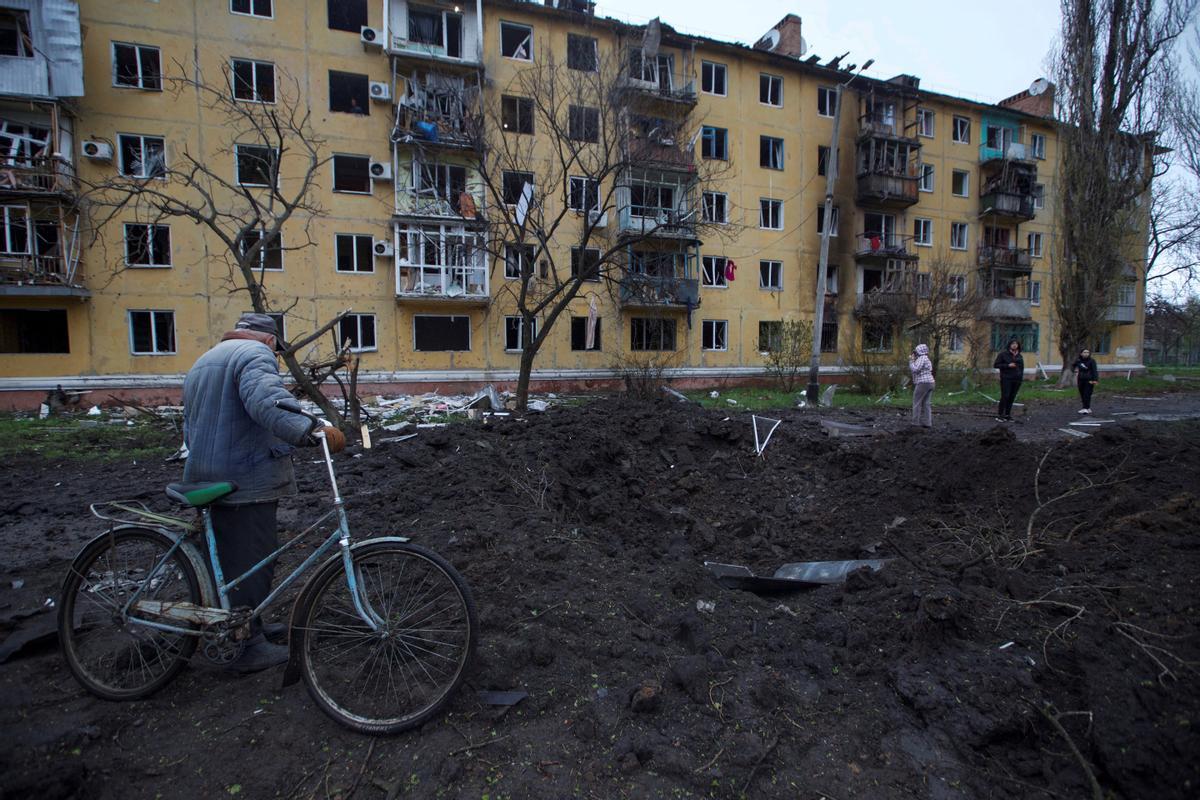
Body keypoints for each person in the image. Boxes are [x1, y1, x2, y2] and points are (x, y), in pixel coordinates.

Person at [182, 313, 346, 672]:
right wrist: (311, 429)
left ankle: (248, 622)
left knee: (230, 560)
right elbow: (266, 401)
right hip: (244, 476)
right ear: (270, 341)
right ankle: (245, 645)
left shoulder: (206, 359)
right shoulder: (255, 355)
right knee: (253, 558)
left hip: (207, 473)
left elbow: (191, 424)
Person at [993, 338, 1025, 422]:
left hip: (1017, 379)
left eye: (1016, 344)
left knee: (1012, 397)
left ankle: (1007, 415)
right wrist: (1008, 365)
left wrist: (1021, 377)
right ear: (1009, 345)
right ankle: (1000, 415)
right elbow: (996, 365)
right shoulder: (1003, 354)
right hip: (1006, 378)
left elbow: (1021, 368)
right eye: (1012, 343)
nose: (1014, 345)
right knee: (1005, 396)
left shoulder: (1019, 356)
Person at [909, 343, 935, 428]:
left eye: (916, 351)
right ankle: (928, 423)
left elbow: (916, 369)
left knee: (916, 402)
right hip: (931, 382)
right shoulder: (927, 359)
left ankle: (915, 422)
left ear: (919, 351)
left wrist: (911, 361)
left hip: (923, 383)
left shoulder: (922, 358)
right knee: (926, 403)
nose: (915, 353)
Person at [1071, 347, 1099, 414]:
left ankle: (1085, 408)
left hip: (1089, 380)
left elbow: (1095, 371)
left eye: (1087, 352)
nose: (1086, 354)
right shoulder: (1079, 361)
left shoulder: (1092, 361)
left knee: (1087, 394)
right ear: (1081, 354)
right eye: (1084, 352)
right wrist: (1076, 364)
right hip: (1080, 379)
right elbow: (1073, 366)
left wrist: (1095, 379)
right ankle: (1087, 408)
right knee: (1082, 394)